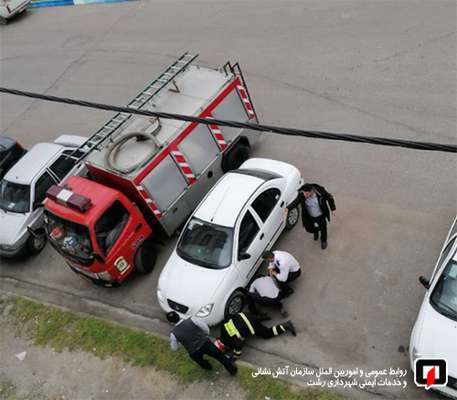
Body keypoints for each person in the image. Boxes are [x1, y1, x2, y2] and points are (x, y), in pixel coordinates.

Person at [167, 311, 237, 375]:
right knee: (220, 356)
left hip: (193, 351)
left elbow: (174, 348)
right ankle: (232, 370)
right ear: (179, 316)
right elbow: (206, 328)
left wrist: (181, 342)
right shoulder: (192, 320)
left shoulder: (173, 334)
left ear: (171, 322)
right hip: (205, 343)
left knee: (200, 361)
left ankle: (208, 367)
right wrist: (204, 336)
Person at [216, 312, 296, 358]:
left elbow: (239, 345)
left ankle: (286, 326)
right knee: (252, 320)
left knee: (267, 334)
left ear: (223, 348)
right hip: (244, 315)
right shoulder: (222, 329)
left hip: (251, 324)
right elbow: (229, 317)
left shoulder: (230, 343)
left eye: (223, 351)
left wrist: (235, 357)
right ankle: (262, 317)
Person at [287, 183, 336, 250]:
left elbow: (330, 197)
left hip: (320, 216)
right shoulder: (302, 194)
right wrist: (288, 208)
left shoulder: (320, 192)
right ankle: (316, 231)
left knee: (323, 228)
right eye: (304, 193)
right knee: (309, 228)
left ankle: (323, 240)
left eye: (306, 194)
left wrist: (333, 209)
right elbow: (296, 201)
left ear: (311, 191)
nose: (304, 195)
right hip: (309, 216)